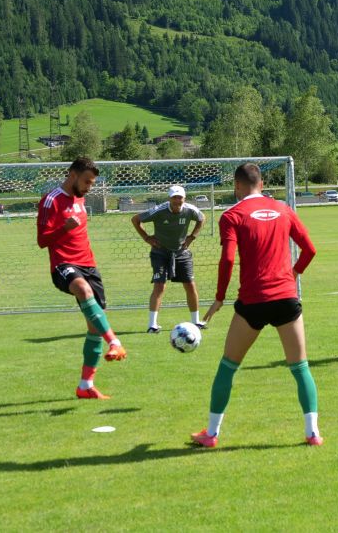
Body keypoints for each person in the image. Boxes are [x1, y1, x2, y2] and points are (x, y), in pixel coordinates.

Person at [190, 163, 321, 448]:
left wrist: (220, 297)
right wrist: (294, 273)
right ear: (261, 184)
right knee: (300, 368)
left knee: (227, 367)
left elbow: (227, 259)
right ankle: (313, 433)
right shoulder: (285, 210)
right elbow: (310, 249)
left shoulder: (232, 215)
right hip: (286, 298)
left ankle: (211, 434)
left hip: (252, 302)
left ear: (237, 186)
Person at [36, 157, 126, 400]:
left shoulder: (81, 198)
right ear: (72, 175)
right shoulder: (51, 200)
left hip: (89, 265)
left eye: (92, 183)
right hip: (63, 265)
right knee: (83, 291)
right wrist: (64, 228)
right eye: (86, 181)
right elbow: (42, 241)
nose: (89, 186)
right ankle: (115, 341)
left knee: (94, 328)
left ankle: (85, 386)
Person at [131, 185, 206, 333]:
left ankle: (196, 322)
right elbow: (135, 219)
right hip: (160, 252)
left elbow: (202, 218)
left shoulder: (190, 210)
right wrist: (146, 238)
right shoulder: (159, 210)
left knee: (190, 285)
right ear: (169, 198)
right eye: (174, 197)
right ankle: (152, 325)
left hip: (182, 252)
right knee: (159, 286)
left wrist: (192, 236)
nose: (177, 200)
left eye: (180, 197)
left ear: (184, 198)